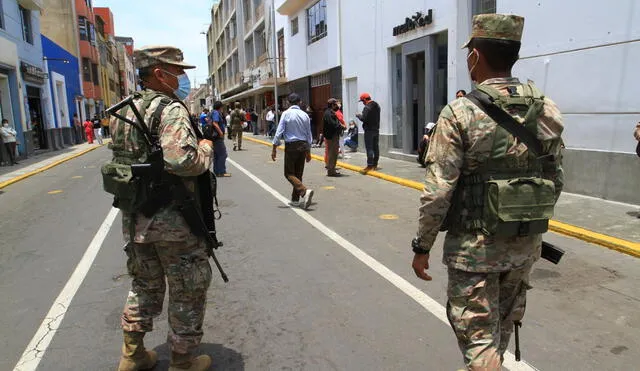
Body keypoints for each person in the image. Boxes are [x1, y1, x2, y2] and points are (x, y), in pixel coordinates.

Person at [410, 14, 564, 371]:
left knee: (479, 343)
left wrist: (422, 246)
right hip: (524, 247)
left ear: (475, 57)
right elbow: (555, 179)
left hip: (474, 253)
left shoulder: (460, 112)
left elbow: (438, 192)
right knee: (498, 337)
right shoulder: (544, 108)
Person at [109, 45, 215, 371]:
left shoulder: (124, 112)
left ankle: (133, 356)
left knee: (144, 285)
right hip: (174, 221)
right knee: (187, 288)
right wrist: (205, 149)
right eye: (177, 71)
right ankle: (182, 362)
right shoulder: (170, 109)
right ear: (159, 73)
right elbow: (180, 159)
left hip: (135, 218)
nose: (182, 78)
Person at [271, 93, 314, 210]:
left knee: (289, 173)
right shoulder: (305, 115)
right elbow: (308, 134)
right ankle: (295, 200)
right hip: (303, 145)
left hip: (291, 146)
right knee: (298, 174)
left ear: (288, 103)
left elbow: (279, 131)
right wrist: (308, 151)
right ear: (299, 102)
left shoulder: (286, 114)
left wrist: (274, 148)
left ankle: (304, 191)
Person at [356, 92, 380, 172]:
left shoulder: (367, 107)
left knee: (369, 148)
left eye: (363, 101)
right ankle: (375, 165)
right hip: (376, 129)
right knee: (376, 147)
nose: (363, 103)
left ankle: (369, 166)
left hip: (369, 130)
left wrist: (358, 115)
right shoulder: (377, 106)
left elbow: (363, 118)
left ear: (366, 99)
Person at [209, 101, 231, 177]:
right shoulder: (216, 113)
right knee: (223, 154)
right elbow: (215, 123)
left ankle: (217, 171)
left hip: (214, 137)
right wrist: (221, 132)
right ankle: (222, 171)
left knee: (217, 155)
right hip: (217, 137)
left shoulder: (212, 112)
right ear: (220, 107)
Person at [323, 98, 343, 176]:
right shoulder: (329, 113)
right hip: (332, 136)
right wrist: (341, 126)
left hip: (332, 136)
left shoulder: (330, 112)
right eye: (335, 104)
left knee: (333, 153)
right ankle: (331, 171)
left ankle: (332, 169)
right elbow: (333, 124)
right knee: (333, 153)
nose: (337, 105)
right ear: (332, 105)